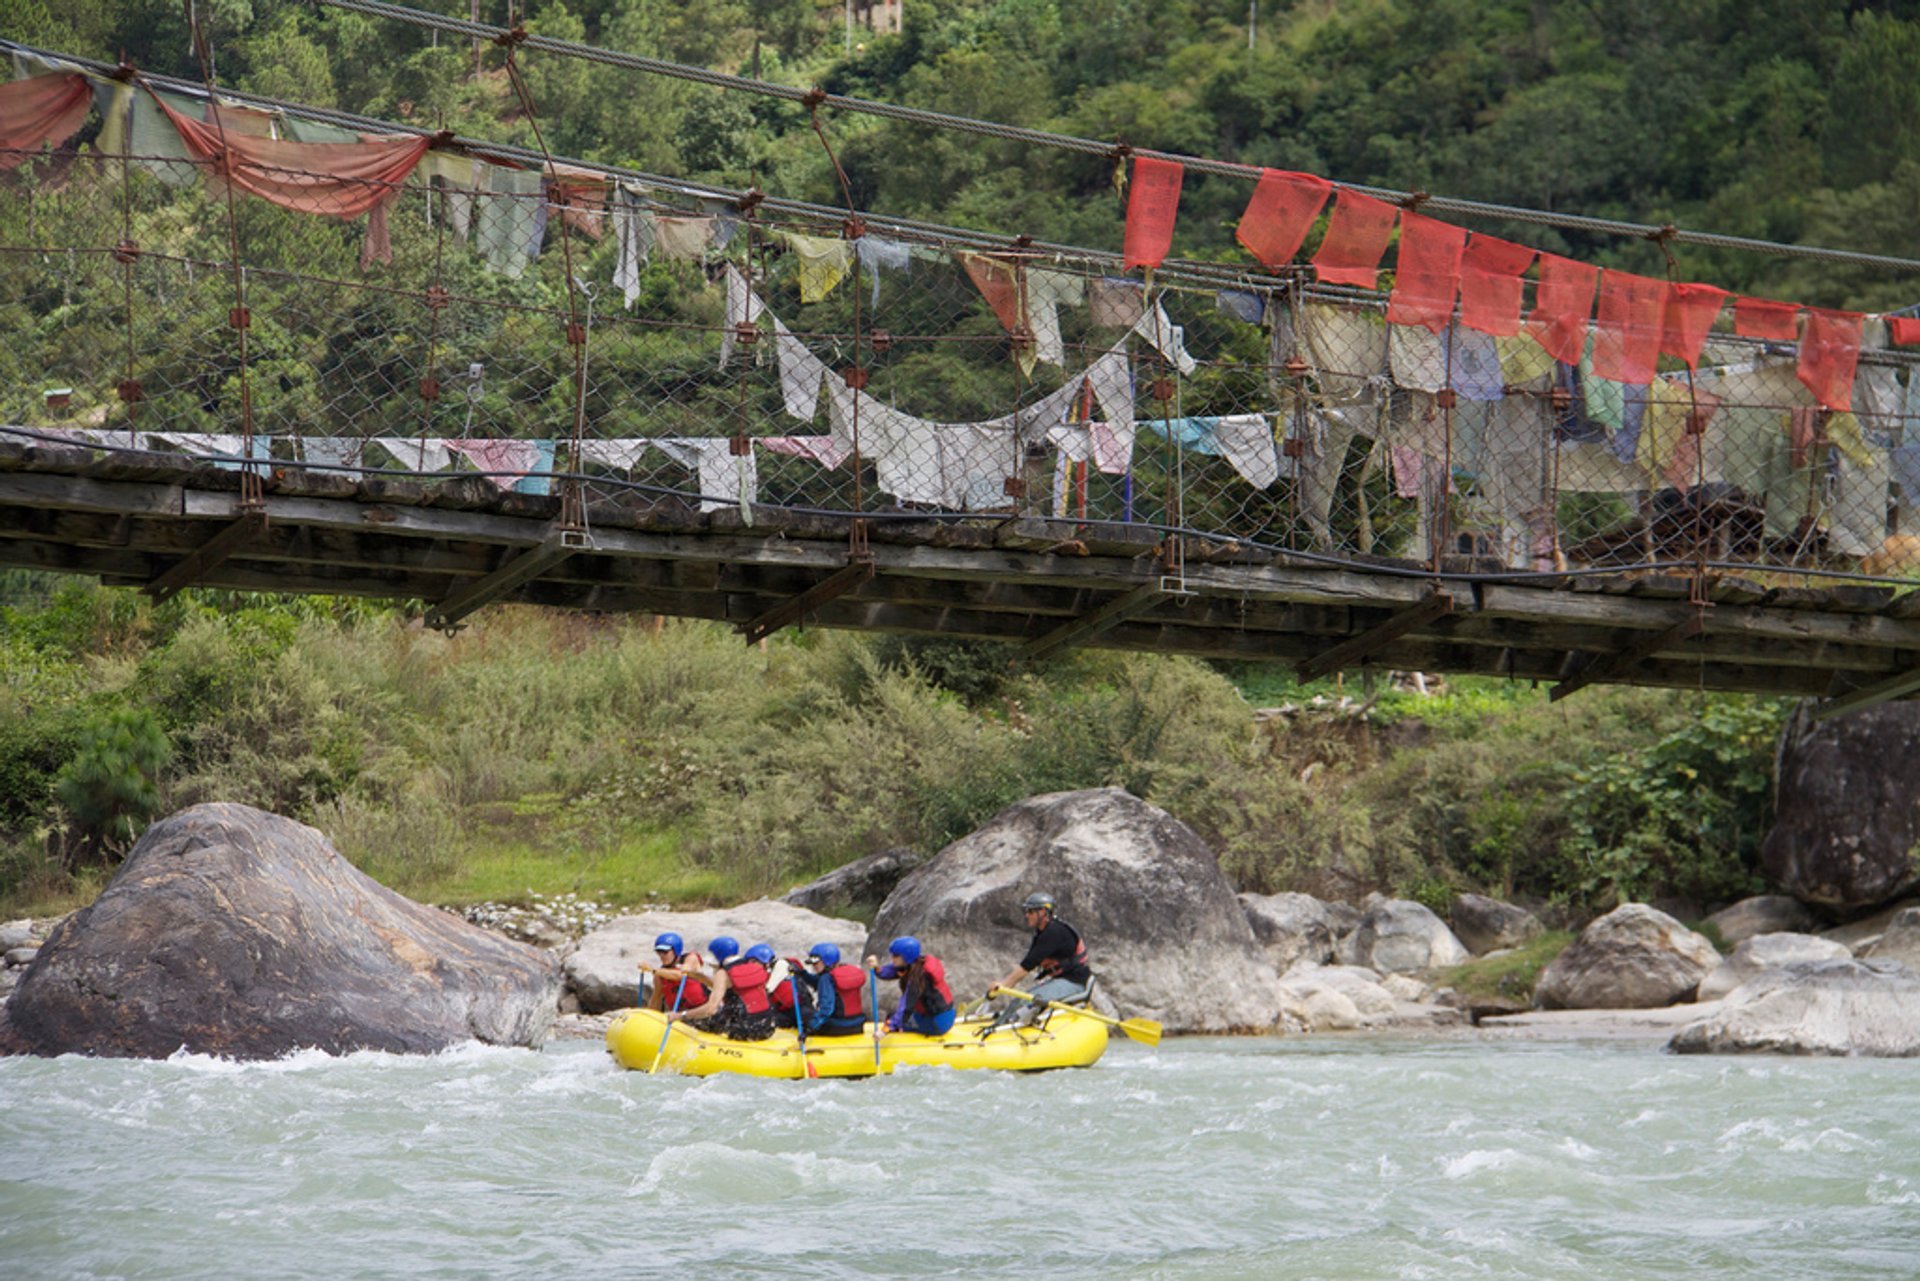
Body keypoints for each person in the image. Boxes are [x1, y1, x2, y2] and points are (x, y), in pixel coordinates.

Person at [990, 891, 1094, 1012]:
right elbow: (1027, 962)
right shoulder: (1043, 933)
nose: (1027, 915)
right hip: (1065, 980)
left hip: (1074, 983)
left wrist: (1004, 984)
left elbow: (1027, 965)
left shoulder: (1054, 932)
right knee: (1019, 1003)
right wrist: (1006, 984)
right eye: (1026, 911)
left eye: (1031, 911)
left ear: (1043, 912)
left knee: (1020, 1004)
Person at [670, 936, 777, 1041]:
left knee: (697, 1021)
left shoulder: (723, 973)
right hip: (767, 1027)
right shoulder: (752, 966)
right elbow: (728, 987)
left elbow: (710, 1009)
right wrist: (698, 976)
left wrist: (680, 1015)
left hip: (745, 1030)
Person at [865, 936, 955, 1037]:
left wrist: (886, 1029)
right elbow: (891, 971)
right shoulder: (914, 963)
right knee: (895, 1017)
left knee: (895, 1019)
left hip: (937, 1023)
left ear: (906, 957)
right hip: (944, 1016)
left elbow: (906, 1006)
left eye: (895, 955)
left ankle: (901, 1043)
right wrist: (877, 968)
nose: (892, 958)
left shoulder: (919, 977)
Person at [796, 942, 870, 1037]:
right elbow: (819, 983)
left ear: (827, 961)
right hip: (857, 1025)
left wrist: (809, 1029)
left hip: (836, 1027)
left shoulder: (827, 978)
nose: (813, 966)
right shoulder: (845, 972)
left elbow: (827, 1009)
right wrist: (802, 974)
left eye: (816, 963)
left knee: (806, 1015)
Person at [638, 931, 708, 1013]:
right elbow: (655, 1001)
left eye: (665, 952)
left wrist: (652, 970)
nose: (661, 955)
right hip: (681, 1016)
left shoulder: (691, 959)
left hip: (704, 1009)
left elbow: (681, 975)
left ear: (676, 951)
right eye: (658, 952)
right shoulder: (659, 975)